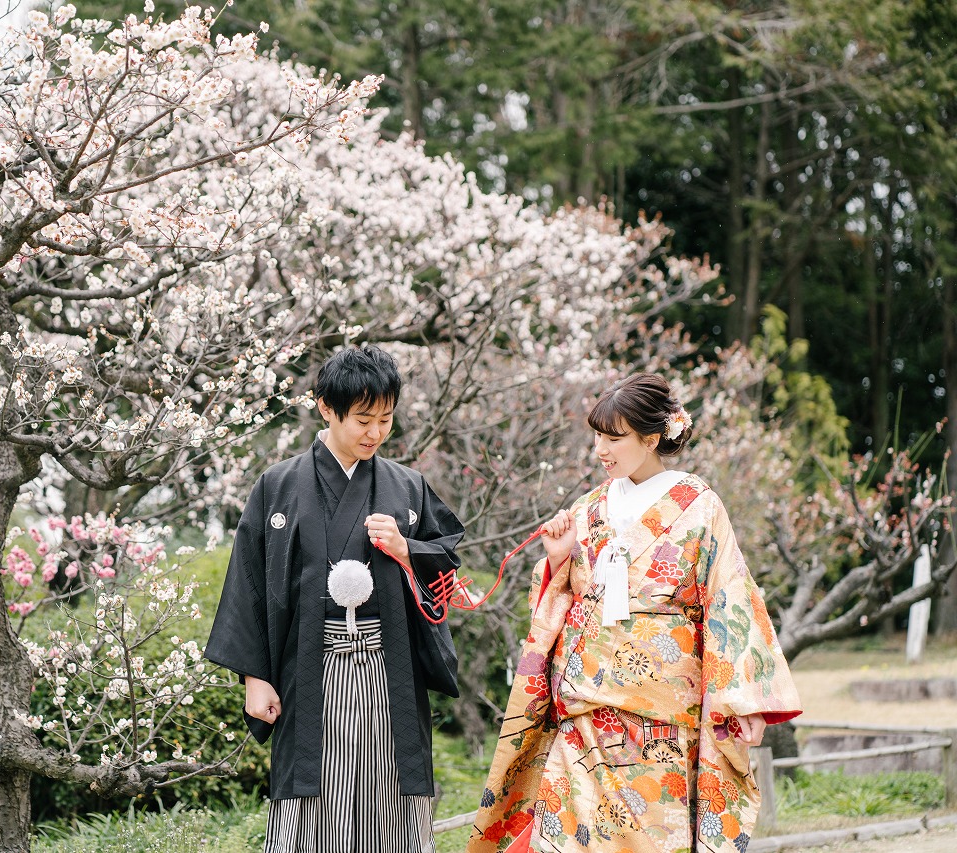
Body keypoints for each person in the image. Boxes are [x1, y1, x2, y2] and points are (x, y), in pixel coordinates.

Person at [468, 373, 801, 853]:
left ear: (651, 438)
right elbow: (556, 598)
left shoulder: (699, 506)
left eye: (614, 437)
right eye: (598, 436)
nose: (601, 449)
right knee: (564, 836)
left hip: (660, 709)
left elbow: (730, 598)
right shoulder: (588, 509)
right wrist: (558, 560)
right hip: (584, 701)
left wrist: (741, 702)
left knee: (649, 838)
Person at [205, 344, 465, 853]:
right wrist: (255, 681)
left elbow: (446, 557)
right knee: (312, 799)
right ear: (325, 408)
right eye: (363, 420)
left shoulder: (406, 487)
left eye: (385, 420)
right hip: (309, 669)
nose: (375, 433)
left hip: (389, 670)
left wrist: (406, 548)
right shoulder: (276, 487)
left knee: (392, 797)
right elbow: (248, 584)